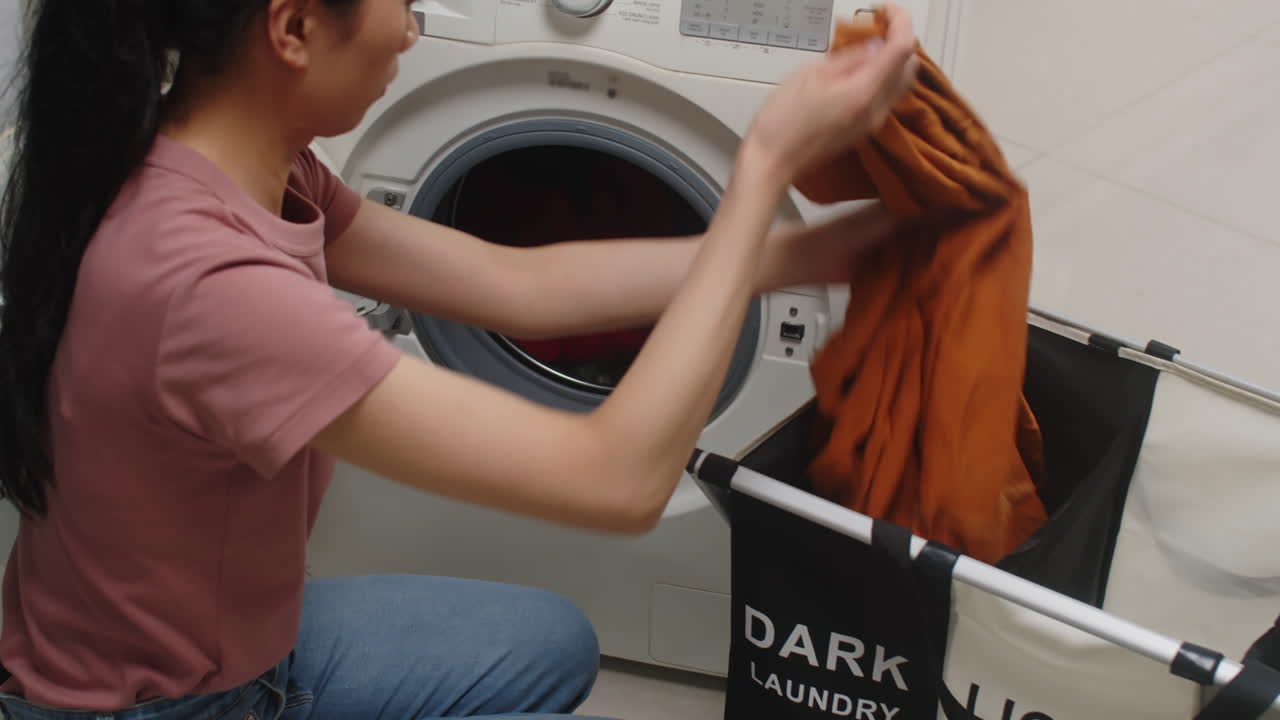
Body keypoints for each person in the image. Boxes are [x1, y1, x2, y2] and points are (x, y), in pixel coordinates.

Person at [0, 0, 918, 718]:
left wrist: (805, 255)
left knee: (554, 639)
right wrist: (761, 164)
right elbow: (618, 480)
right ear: (293, 28)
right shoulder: (205, 282)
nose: (413, 25)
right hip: (171, 708)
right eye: (399, 2)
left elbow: (517, 283)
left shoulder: (251, 165)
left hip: (242, 653)